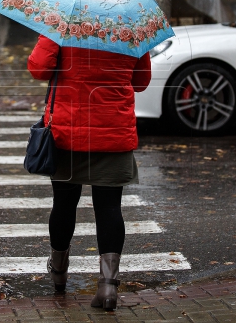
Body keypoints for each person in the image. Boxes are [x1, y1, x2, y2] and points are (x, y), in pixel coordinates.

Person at [27, 35, 151, 310]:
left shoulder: (62, 24)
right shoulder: (130, 28)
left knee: (63, 204)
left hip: (66, 133)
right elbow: (141, 82)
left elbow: (38, 68)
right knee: (109, 207)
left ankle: (58, 271)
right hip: (113, 132)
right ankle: (108, 286)